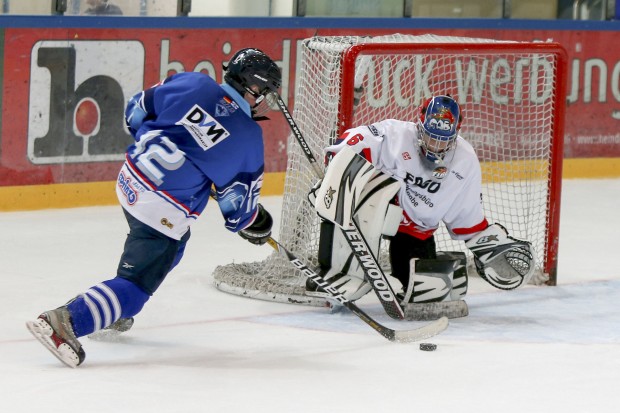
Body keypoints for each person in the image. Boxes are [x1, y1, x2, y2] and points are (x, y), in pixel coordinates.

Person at [26, 48, 282, 368]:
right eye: (265, 92)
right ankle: (64, 321)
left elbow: (135, 110)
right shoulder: (246, 135)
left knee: (175, 246)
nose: (265, 100)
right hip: (160, 210)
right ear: (254, 88)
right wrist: (258, 223)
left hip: (130, 179)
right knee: (137, 286)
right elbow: (238, 213)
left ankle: (114, 308)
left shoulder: (192, 82)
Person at [307, 95, 539, 319]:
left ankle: (406, 274)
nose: (435, 145)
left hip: (415, 227)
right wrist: (336, 174)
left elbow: (465, 215)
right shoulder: (395, 134)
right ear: (420, 126)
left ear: (456, 134)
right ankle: (341, 273)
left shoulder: (465, 161)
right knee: (359, 195)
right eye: (430, 137)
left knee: (424, 291)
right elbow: (354, 140)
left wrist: (487, 243)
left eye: (443, 139)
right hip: (375, 209)